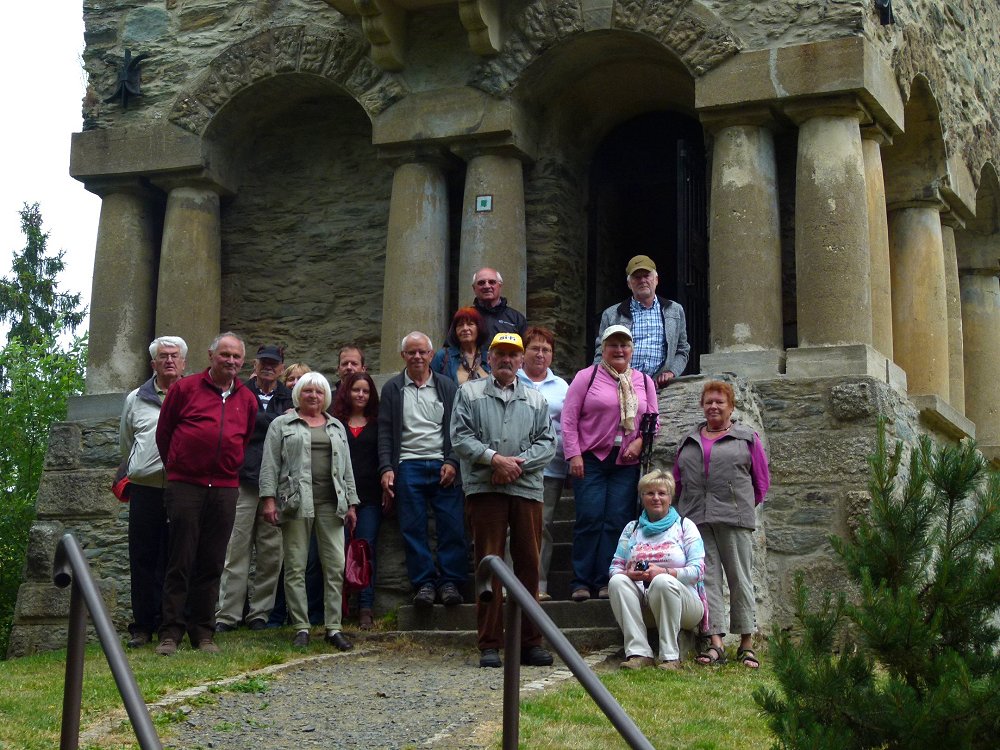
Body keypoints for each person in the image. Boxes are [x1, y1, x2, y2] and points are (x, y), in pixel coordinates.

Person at [451, 332, 557, 668]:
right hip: (485, 490)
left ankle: (530, 642)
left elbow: (547, 443)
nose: (507, 360)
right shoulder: (468, 393)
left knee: (529, 565)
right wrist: (493, 459)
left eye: (514, 355)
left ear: (521, 359)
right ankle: (490, 643)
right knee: (489, 563)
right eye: (501, 354)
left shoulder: (536, 399)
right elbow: (460, 436)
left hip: (525, 490)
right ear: (489, 357)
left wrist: (513, 466)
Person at [153, 332, 258, 655]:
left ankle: (203, 633)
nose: (230, 361)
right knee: (180, 558)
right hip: (186, 485)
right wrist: (179, 467)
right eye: (224, 355)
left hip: (225, 488)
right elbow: (164, 433)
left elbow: (244, 438)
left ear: (242, 362)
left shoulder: (247, 399)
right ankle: (170, 633)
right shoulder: (184, 389)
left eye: (236, 357)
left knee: (212, 561)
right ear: (211, 356)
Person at [673, 380, 770, 669]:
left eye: (720, 402)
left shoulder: (746, 438)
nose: (714, 406)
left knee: (740, 578)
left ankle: (747, 644)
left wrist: (737, 505)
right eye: (708, 402)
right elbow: (678, 481)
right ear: (702, 406)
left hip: (734, 517)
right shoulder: (688, 440)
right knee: (708, 580)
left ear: (731, 406)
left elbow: (761, 483)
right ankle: (716, 643)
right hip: (697, 520)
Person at [260, 372, 359, 650]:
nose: (313, 396)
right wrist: (269, 500)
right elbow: (269, 465)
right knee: (295, 566)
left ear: (325, 396)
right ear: (298, 395)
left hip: (332, 503)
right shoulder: (282, 424)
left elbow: (347, 469)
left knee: (335, 566)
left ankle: (333, 627)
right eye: (307, 391)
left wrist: (352, 503)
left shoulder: (336, 426)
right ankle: (301, 627)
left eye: (318, 392)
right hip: (295, 502)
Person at [562, 324, 659, 602]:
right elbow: (569, 419)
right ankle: (581, 581)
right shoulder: (587, 377)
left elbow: (653, 420)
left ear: (631, 349)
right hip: (591, 459)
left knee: (617, 520)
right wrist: (574, 454)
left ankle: (608, 579)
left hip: (625, 462)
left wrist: (640, 442)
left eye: (624, 345)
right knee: (590, 518)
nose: (619, 350)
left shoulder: (643, 381)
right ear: (603, 349)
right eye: (613, 345)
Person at [378, 332, 467, 607]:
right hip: (408, 465)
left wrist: (453, 461)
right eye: (411, 352)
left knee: (452, 526)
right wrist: (386, 468)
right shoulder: (393, 389)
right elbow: (385, 432)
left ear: (431, 355)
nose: (417, 356)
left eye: (422, 352)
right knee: (413, 528)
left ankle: (451, 582)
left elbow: (458, 428)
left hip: (443, 466)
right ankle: (425, 584)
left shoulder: (448, 386)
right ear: (403, 356)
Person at [216, 345, 293, 633]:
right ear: (255, 365)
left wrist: (260, 423)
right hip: (242, 480)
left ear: (282, 367)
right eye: (264, 363)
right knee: (236, 550)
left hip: (277, 483)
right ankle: (228, 615)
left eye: (274, 364)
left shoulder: (289, 396)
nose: (269, 368)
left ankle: (260, 614)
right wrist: (273, 421)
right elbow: (237, 426)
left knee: (272, 552)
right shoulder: (239, 392)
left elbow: (288, 430)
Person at [118, 335, 188, 648]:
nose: (169, 360)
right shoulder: (136, 398)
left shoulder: (194, 395)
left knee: (177, 557)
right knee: (143, 558)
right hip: (145, 488)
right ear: (153, 363)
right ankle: (142, 627)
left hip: (183, 488)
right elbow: (126, 441)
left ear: (184, 362)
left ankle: (170, 626)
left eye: (175, 356)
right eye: (163, 356)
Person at [608, 469, 707, 670]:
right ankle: (639, 653)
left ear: (670, 497)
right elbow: (614, 567)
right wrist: (628, 573)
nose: (656, 498)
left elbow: (698, 570)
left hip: (685, 604)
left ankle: (670, 657)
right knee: (617, 581)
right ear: (642, 497)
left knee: (662, 582)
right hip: (644, 602)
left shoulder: (684, 526)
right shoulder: (632, 528)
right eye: (649, 493)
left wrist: (665, 573)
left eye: (661, 493)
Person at [515, 326, 569, 601]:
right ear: (523, 353)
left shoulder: (562, 387)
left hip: (551, 467)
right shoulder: (512, 380)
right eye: (534, 348)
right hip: (515, 466)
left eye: (546, 349)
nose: (540, 354)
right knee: (514, 526)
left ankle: (539, 584)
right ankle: (509, 584)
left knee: (543, 526)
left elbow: (568, 425)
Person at [331, 371, 385, 630]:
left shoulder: (378, 423)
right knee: (336, 553)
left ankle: (365, 607)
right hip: (338, 498)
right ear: (347, 392)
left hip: (370, 498)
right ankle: (338, 607)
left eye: (365, 391)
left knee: (366, 550)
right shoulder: (334, 423)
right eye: (356, 390)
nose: (361, 395)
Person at [594, 254, 690, 388]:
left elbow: (682, 349)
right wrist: (599, 383)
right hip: (621, 386)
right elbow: (601, 353)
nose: (642, 280)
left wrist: (671, 371)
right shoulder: (611, 314)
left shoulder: (674, 310)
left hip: (660, 388)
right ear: (629, 283)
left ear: (656, 279)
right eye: (637, 277)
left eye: (647, 275)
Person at [430, 306, 490, 383]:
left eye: (470, 324)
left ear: (479, 328)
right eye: (460, 325)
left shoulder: (489, 357)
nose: (465, 328)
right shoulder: (443, 356)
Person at [471, 267, 527, 344]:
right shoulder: (465, 317)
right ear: (474, 288)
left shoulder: (516, 318)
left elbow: (526, 349)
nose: (487, 286)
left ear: (500, 286)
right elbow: (451, 348)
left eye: (492, 282)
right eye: (481, 283)